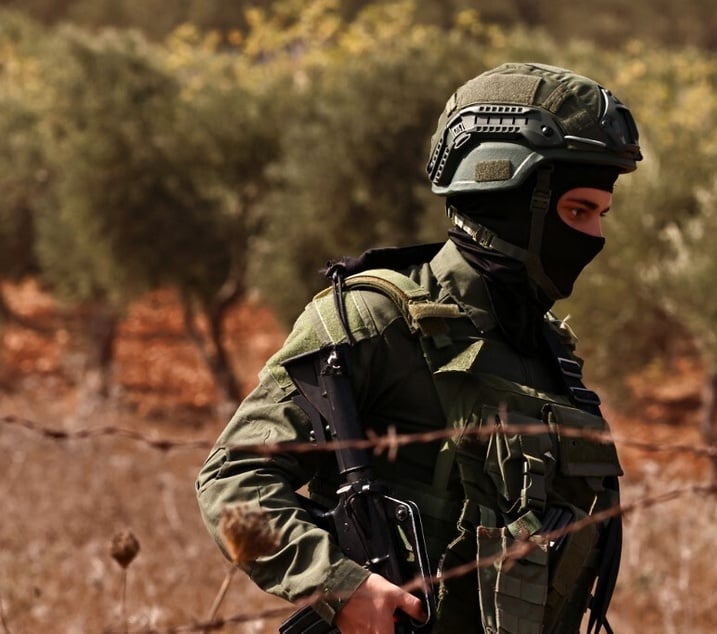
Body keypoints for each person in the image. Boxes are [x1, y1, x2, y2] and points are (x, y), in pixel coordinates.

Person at [196, 61, 643, 633]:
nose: (595, 237)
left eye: (601, 215)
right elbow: (232, 480)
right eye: (577, 211)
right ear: (504, 194)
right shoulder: (377, 317)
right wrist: (339, 586)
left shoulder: (549, 352)